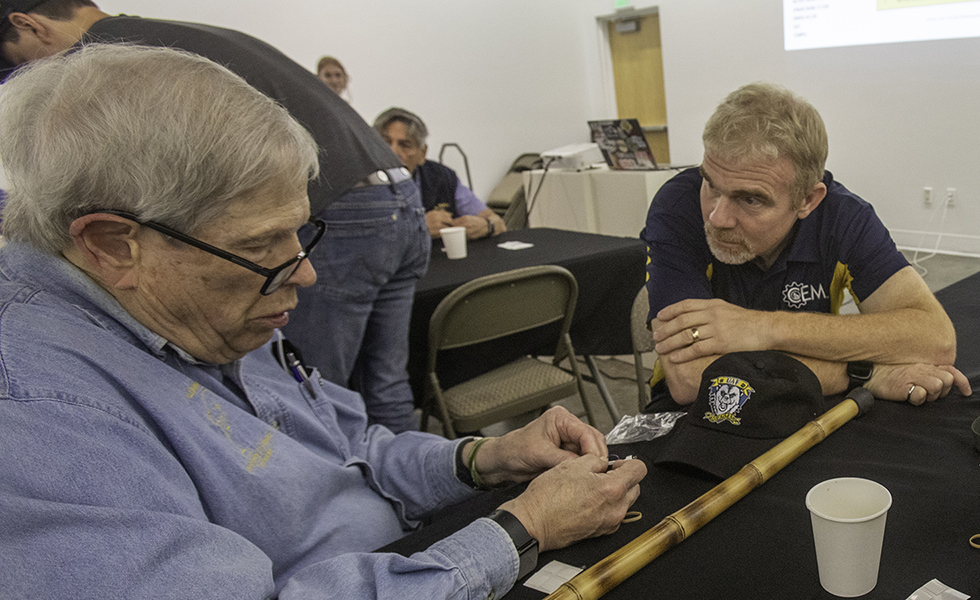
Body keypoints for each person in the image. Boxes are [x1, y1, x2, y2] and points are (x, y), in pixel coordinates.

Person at [0, 44, 645, 599]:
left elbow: (353, 453)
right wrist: (520, 528)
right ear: (114, 246)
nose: (304, 274)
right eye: (259, 245)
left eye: (298, 233)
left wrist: (483, 459)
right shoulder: (36, 419)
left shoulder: (202, 303)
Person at [0, 0, 431, 433]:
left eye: (22, 62)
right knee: (385, 381)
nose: (35, 76)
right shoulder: (185, 35)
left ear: (30, 26)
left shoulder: (115, 62)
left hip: (341, 204)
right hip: (397, 196)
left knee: (307, 402)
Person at [642, 82, 969, 410]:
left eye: (751, 199)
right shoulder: (678, 206)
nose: (718, 217)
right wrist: (863, 373)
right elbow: (689, 379)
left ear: (807, 200)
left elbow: (935, 339)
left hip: (802, 407)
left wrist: (762, 327)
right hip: (696, 417)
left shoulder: (843, 217)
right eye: (711, 185)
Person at [374, 107, 506, 240]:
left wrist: (487, 225)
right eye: (385, 143)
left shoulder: (441, 176)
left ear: (422, 153)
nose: (393, 152)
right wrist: (417, 227)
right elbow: (361, 241)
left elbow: (498, 222)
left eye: (405, 145)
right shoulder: (361, 183)